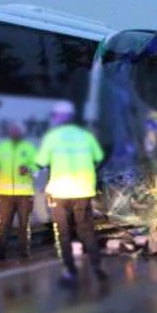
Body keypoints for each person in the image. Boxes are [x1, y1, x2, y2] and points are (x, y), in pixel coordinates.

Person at [36, 100, 106, 286]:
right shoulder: (86, 136)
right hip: (83, 191)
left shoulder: (52, 137)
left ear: (60, 117)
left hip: (60, 192)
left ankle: (70, 271)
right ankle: (97, 267)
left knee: (63, 233)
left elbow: (40, 161)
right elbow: (99, 157)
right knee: (86, 230)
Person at [0, 120, 38, 260]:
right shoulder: (2, 148)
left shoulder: (29, 148)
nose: (14, 133)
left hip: (24, 194)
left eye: (17, 131)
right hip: (6, 193)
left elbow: (38, 168)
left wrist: (28, 169)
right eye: (12, 131)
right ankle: (0, 250)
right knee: (4, 223)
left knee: (23, 223)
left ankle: (24, 250)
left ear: (22, 133)